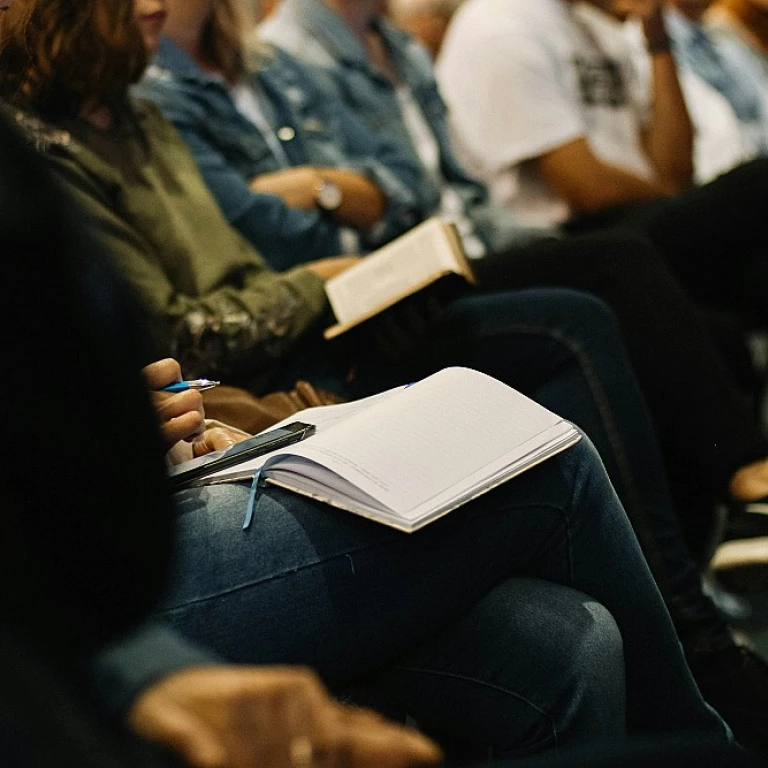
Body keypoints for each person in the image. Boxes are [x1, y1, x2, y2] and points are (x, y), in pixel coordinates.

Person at [2, 0, 768, 748]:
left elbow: (375, 193)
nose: (158, 8)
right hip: (121, 542)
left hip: (194, 450)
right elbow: (195, 322)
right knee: (549, 444)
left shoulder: (144, 115)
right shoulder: (47, 148)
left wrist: (142, 425)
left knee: (575, 641)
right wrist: (324, 265)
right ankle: (713, 704)